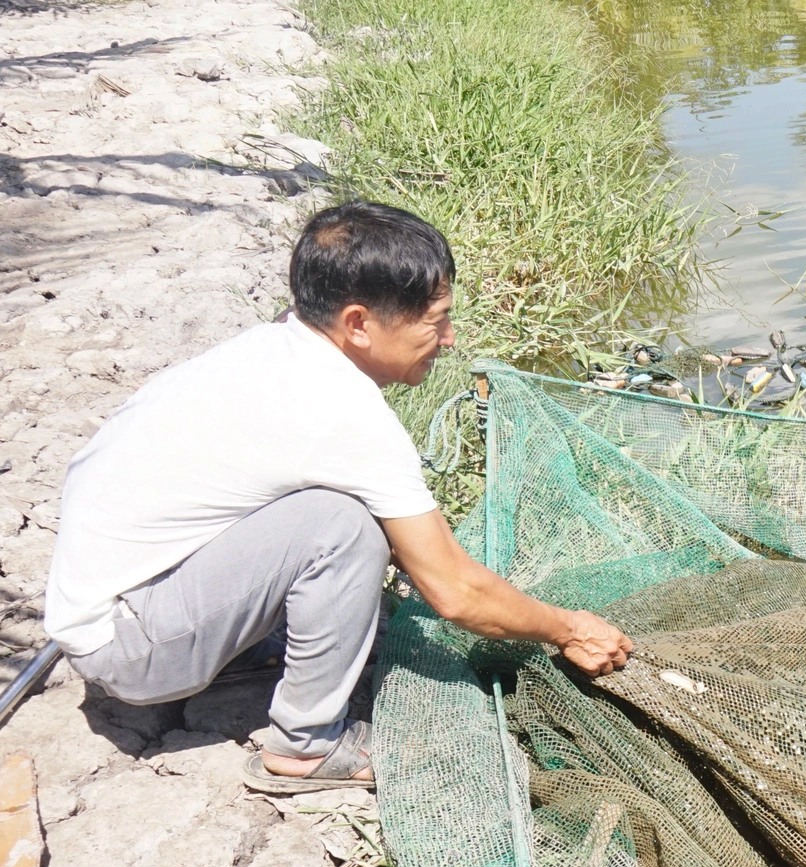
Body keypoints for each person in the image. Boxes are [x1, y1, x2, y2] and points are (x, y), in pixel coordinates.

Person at [42, 201, 634, 793]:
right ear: (357, 324)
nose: (449, 340)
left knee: (343, 518)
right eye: (435, 321)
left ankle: (249, 650)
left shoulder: (280, 342)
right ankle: (306, 745)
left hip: (124, 599)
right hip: (127, 648)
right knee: (343, 525)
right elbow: (454, 592)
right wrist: (568, 629)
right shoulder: (342, 415)